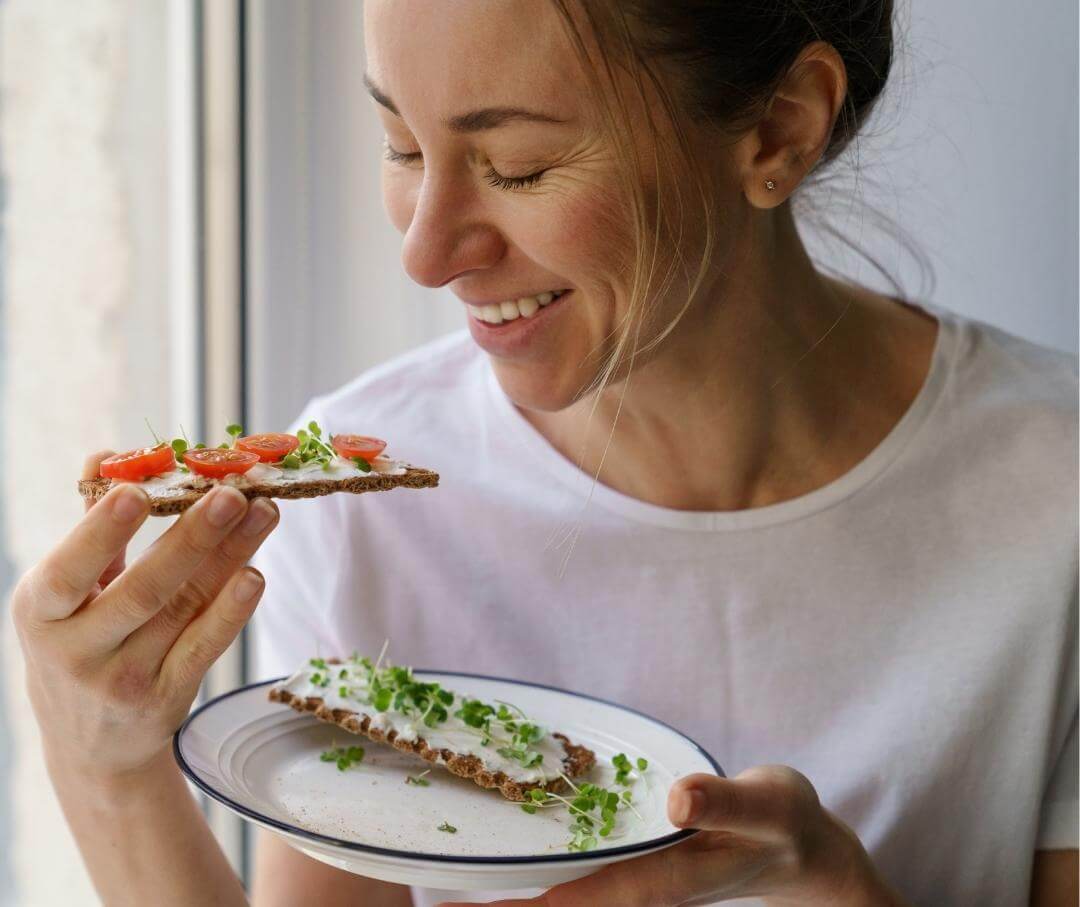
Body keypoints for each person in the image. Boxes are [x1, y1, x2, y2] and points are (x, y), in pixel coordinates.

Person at [12, 1, 1077, 905]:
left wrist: (843, 888)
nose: (425, 254)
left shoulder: (1054, 499)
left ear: (777, 132)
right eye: (402, 148)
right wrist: (104, 766)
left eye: (517, 167)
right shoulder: (369, 518)